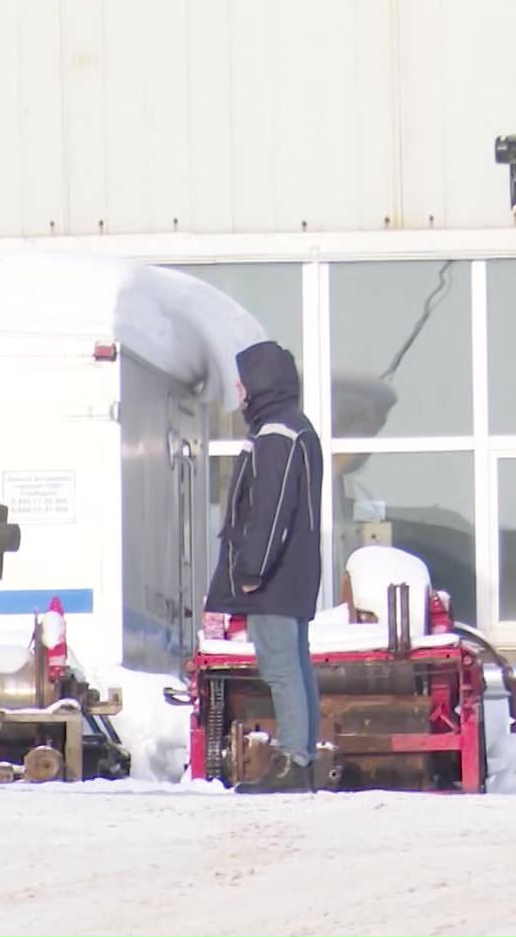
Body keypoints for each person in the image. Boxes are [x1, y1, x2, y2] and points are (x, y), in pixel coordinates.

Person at [205, 340, 325, 794]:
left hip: (273, 575)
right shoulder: (295, 428)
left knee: (280, 666)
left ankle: (293, 762)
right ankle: (302, 758)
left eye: (242, 381)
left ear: (260, 383)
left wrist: (251, 569)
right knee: (295, 664)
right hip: (292, 570)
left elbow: (270, 508)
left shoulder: (277, 433)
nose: (238, 390)